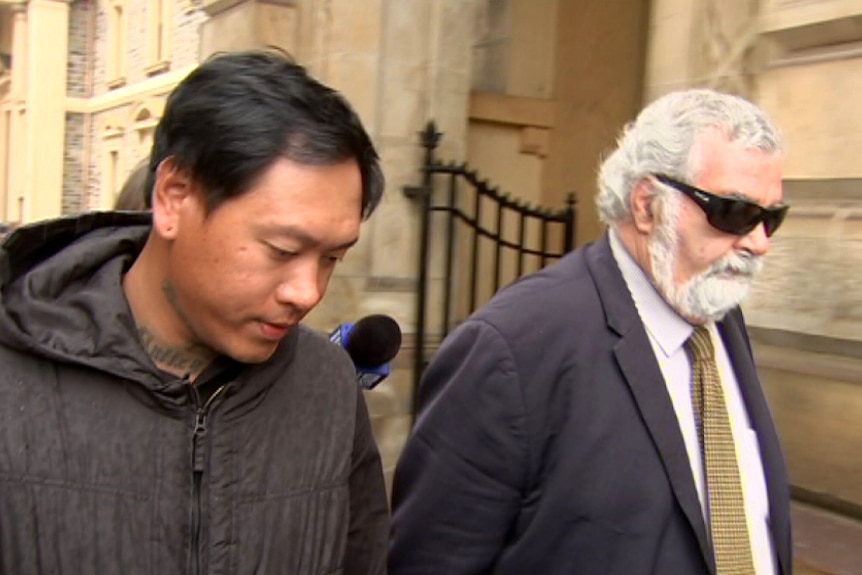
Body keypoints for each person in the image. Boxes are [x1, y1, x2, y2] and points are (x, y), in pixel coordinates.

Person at [0, 50, 389, 574]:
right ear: (174, 196)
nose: (307, 292)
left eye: (332, 258)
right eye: (280, 249)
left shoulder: (328, 389)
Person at [389, 88, 793, 575]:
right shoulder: (513, 348)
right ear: (647, 205)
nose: (758, 242)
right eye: (734, 213)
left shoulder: (718, 312)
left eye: (772, 218)